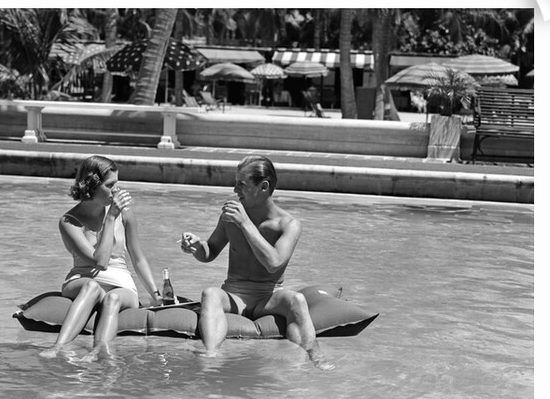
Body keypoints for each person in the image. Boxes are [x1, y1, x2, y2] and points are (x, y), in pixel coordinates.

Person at [180, 155, 332, 370]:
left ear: (264, 187)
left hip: (267, 297)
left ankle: (314, 356)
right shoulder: (230, 216)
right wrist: (196, 246)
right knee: (210, 293)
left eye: (241, 184)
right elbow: (209, 252)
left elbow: (274, 263)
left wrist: (245, 224)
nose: (235, 190)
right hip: (233, 295)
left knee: (296, 299)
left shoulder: (288, 224)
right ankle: (211, 354)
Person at [39, 155, 162, 359]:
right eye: (110, 185)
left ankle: (98, 351)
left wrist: (156, 295)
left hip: (121, 284)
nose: (116, 191)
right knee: (92, 286)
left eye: (117, 184)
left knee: (113, 298)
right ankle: (58, 347)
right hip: (82, 280)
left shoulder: (125, 213)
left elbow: (138, 258)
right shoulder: (69, 222)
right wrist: (111, 218)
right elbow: (100, 262)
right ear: (91, 185)